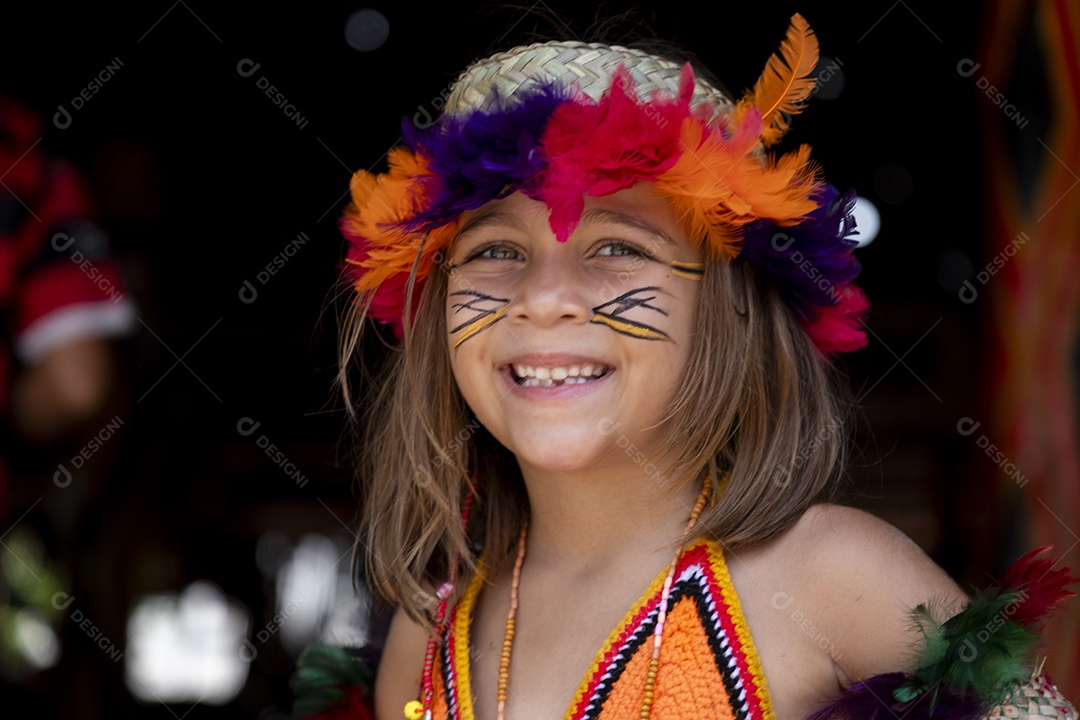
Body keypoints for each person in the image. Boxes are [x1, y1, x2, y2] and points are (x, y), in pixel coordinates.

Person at [295, 13, 1077, 720]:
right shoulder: (429, 632)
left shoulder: (833, 577)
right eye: (496, 251)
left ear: (731, 311)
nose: (546, 300)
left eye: (618, 248)